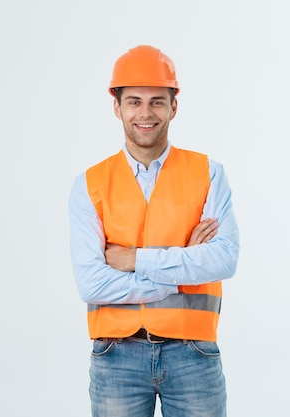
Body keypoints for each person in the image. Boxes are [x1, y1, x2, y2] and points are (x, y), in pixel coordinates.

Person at [68, 44, 240, 417]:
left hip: (193, 352)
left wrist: (133, 260)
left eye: (157, 102)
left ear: (174, 106)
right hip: (115, 355)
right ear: (117, 107)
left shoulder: (208, 173)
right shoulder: (90, 184)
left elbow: (224, 259)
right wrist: (182, 273)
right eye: (134, 102)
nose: (145, 113)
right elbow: (92, 284)